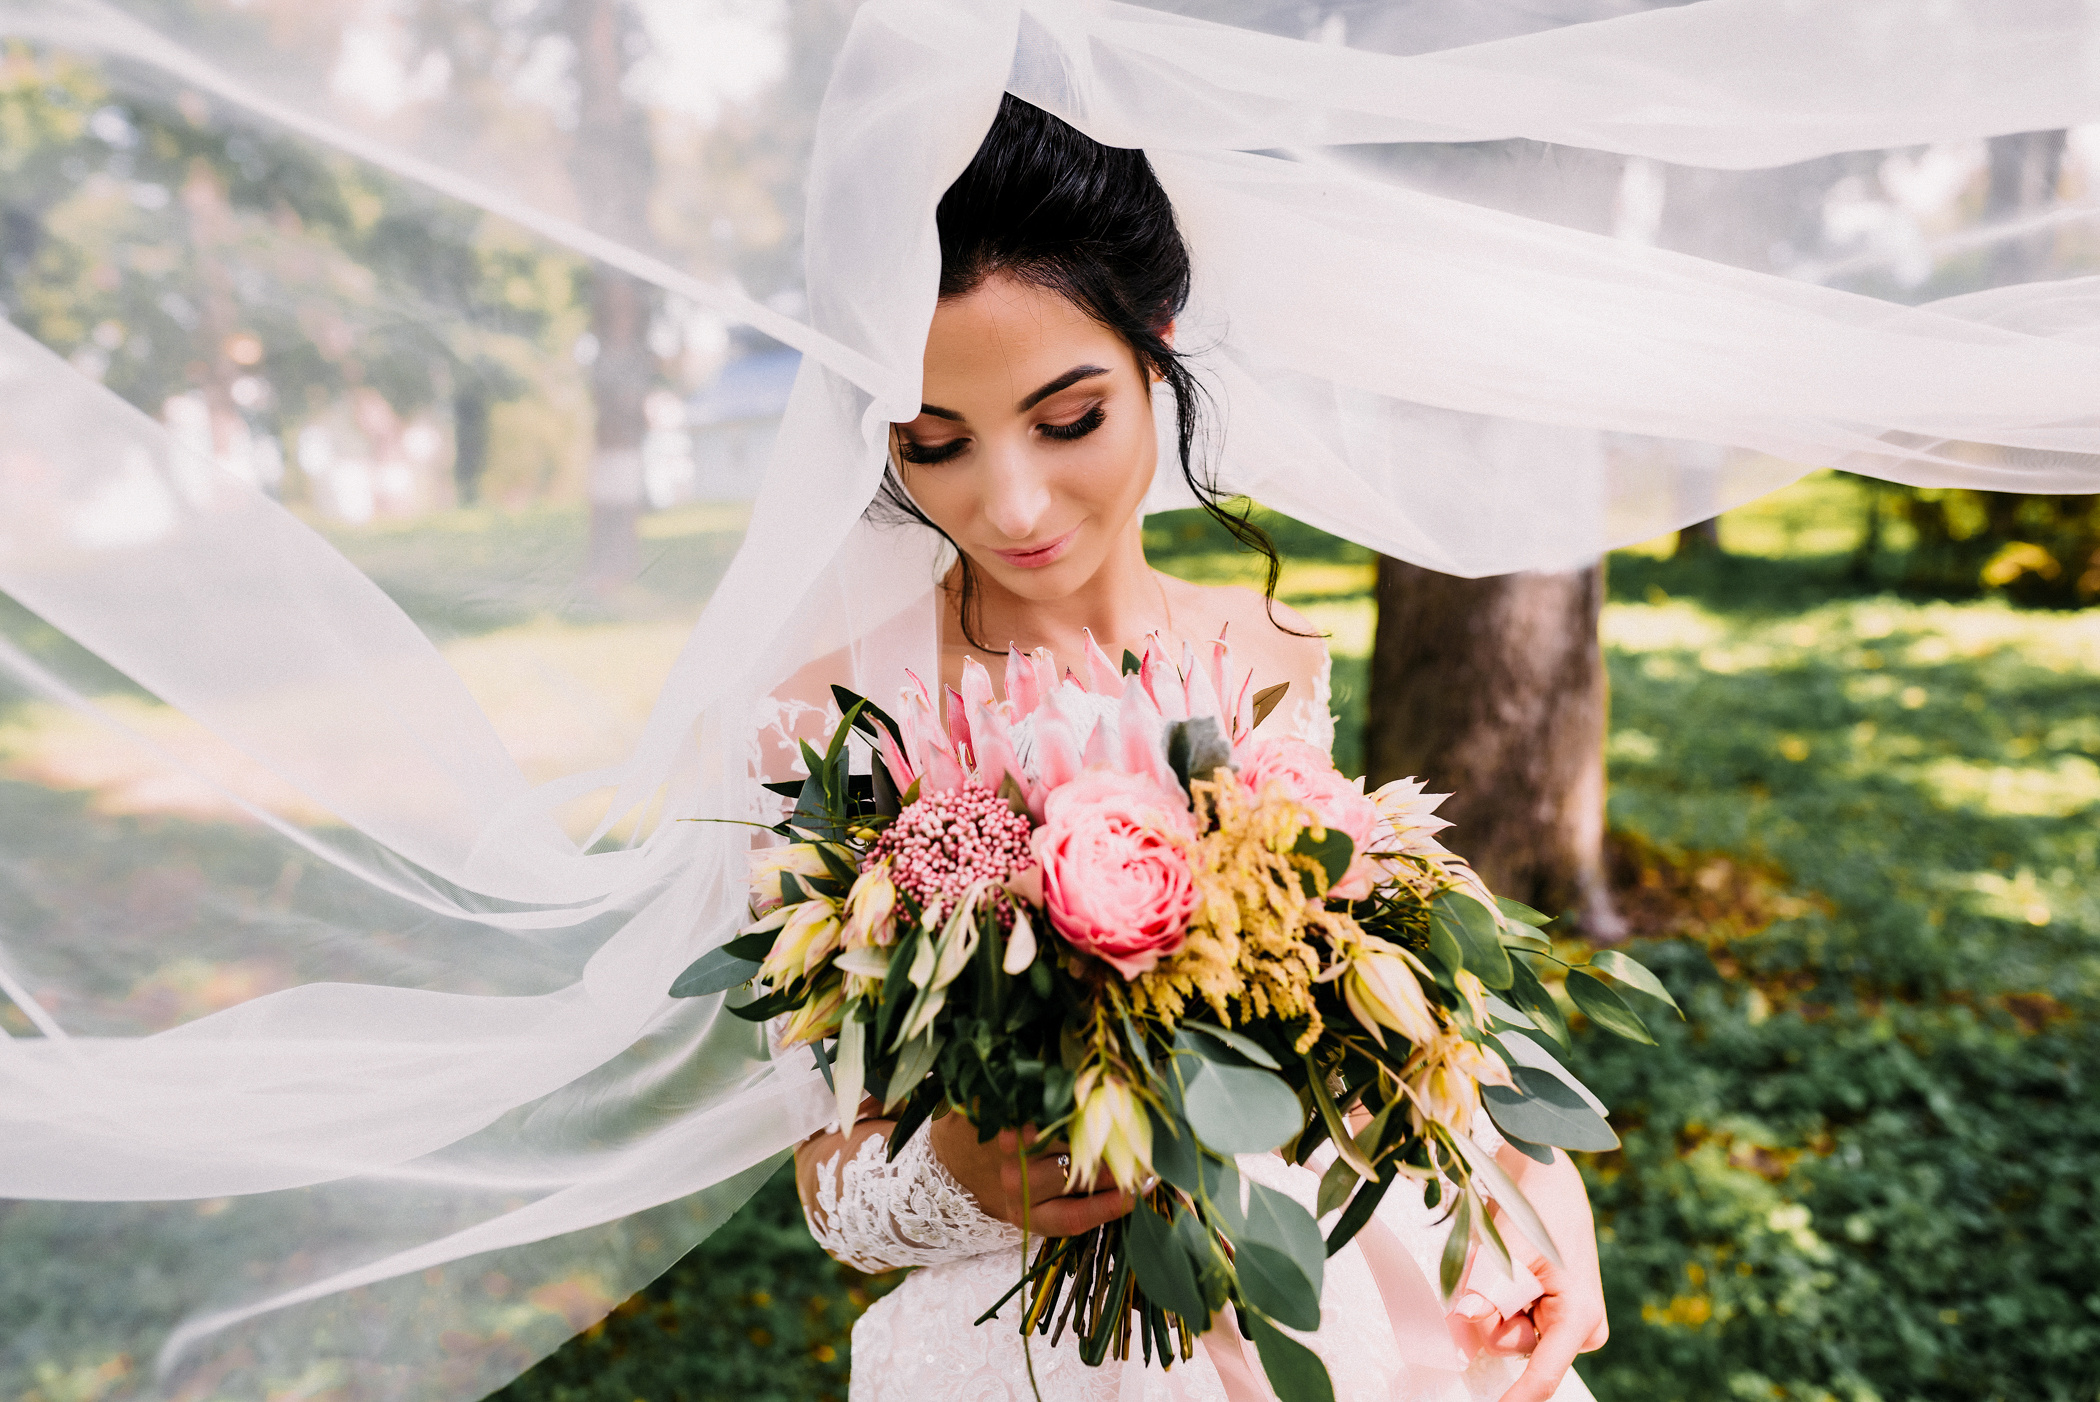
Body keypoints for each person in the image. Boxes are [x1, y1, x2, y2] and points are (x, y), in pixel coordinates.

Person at [787, 96, 1607, 1402]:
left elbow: (1357, 1004)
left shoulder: (1271, 649)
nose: (1011, 502)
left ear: (1157, 351)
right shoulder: (838, 711)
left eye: (1068, 419)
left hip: (1333, 1281)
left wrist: (1532, 1177)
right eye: (936, 444)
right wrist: (962, 1172)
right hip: (1032, 1344)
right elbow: (831, 1175)